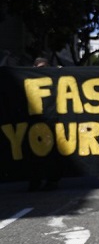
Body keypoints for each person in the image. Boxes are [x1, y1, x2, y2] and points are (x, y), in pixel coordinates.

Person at [28, 57, 60, 191]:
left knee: (50, 153)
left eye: (45, 67)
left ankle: (51, 180)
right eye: (39, 68)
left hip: (51, 122)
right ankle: (35, 181)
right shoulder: (28, 79)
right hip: (33, 123)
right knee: (33, 154)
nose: (43, 71)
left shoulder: (55, 79)